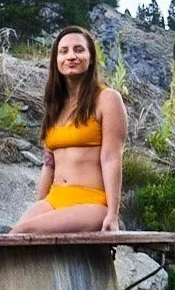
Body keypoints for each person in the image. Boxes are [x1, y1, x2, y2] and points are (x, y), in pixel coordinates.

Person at [11, 25, 127, 234]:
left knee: (24, 232)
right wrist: (40, 206)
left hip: (91, 201)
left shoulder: (107, 99)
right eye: (63, 51)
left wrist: (113, 213)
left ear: (91, 58)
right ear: (56, 61)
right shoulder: (56, 105)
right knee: (11, 237)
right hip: (55, 199)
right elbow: (49, 163)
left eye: (79, 50)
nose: (71, 56)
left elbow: (112, 158)